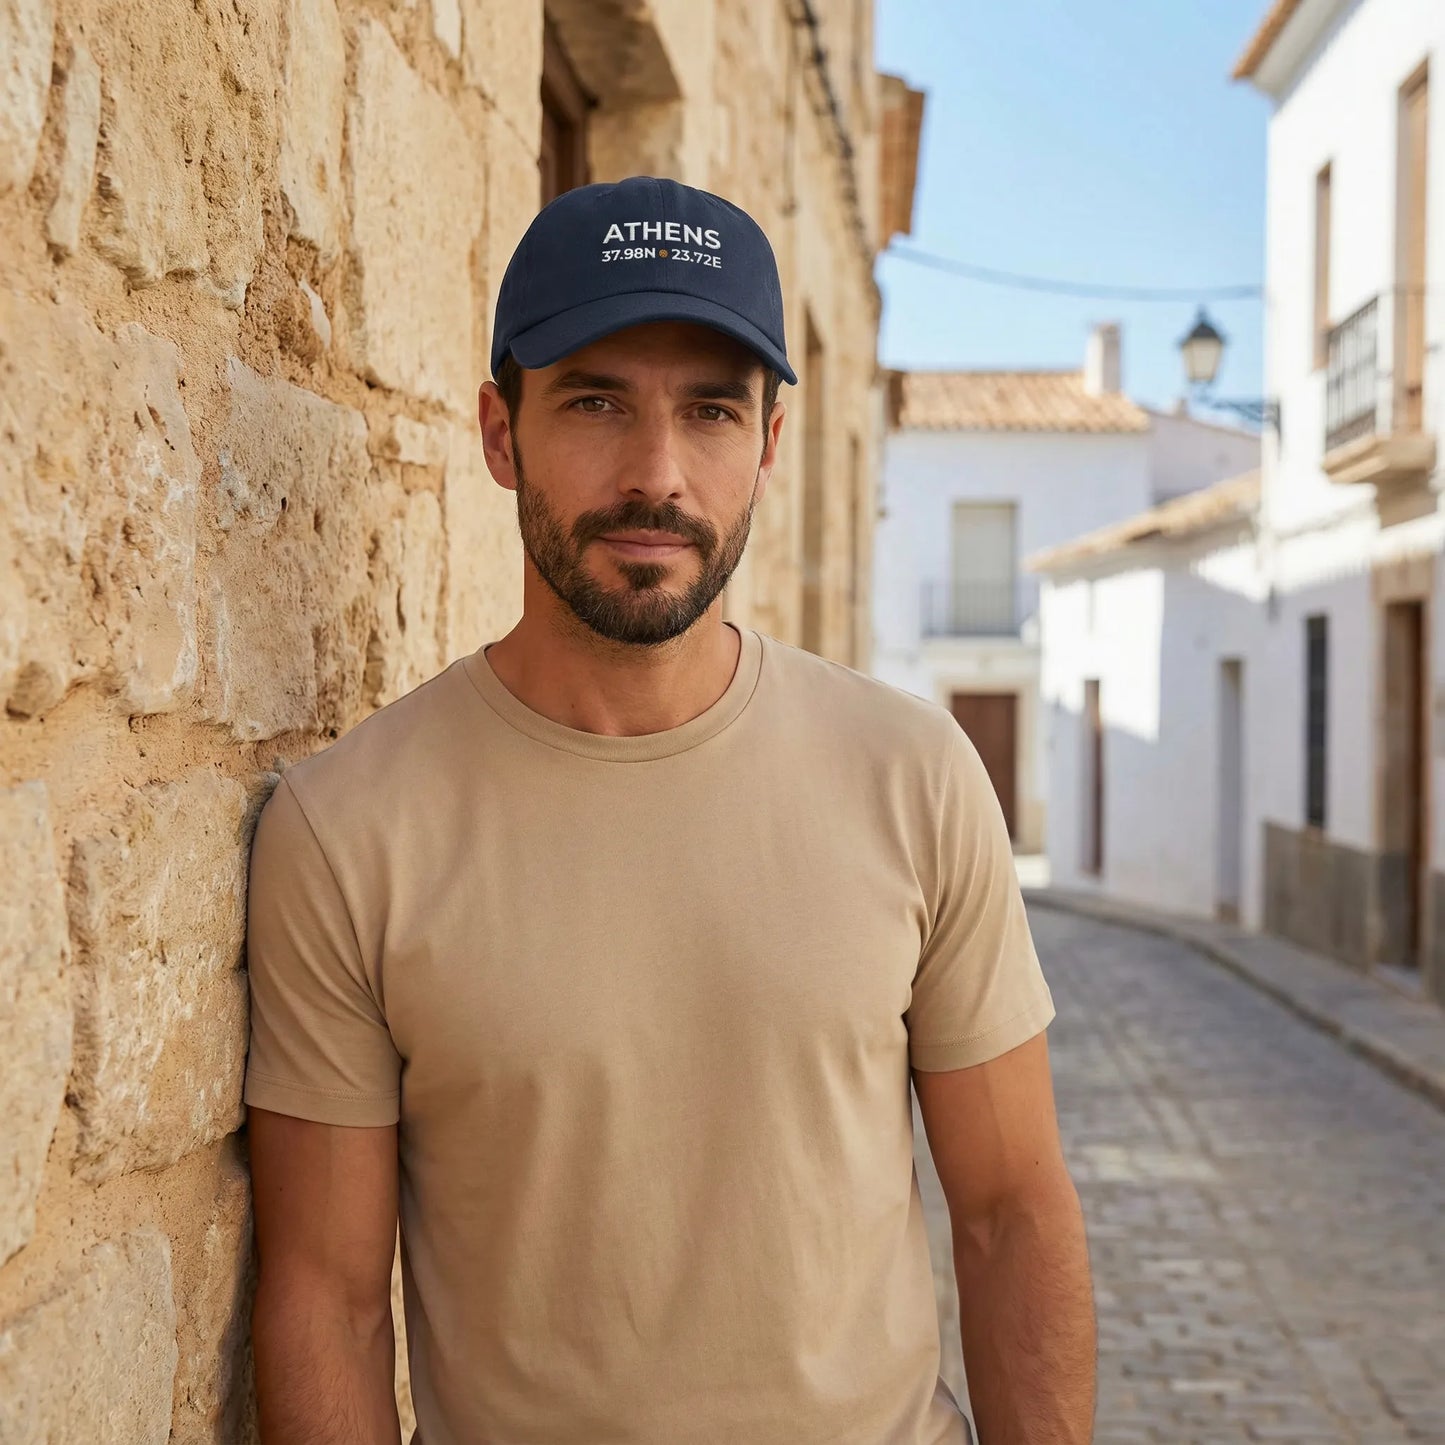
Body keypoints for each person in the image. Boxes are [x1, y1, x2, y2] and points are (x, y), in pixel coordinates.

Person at [244, 174, 1096, 1445]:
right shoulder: (348, 828)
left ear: (765, 445)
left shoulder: (911, 776)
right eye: (595, 402)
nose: (658, 476)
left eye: (708, 412)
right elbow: (326, 1296)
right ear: (499, 431)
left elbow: (1011, 1210)